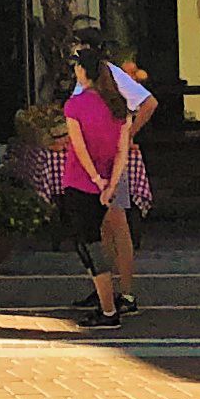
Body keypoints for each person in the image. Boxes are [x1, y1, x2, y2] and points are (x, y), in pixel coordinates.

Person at [56, 38, 135, 329]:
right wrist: (111, 184)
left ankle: (108, 309)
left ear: (82, 71)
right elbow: (122, 151)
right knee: (97, 240)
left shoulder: (75, 105)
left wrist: (96, 178)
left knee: (89, 245)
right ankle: (110, 302)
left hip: (81, 182)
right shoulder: (118, 108)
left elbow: (79, 148)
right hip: (105, 183)